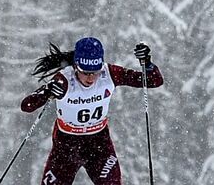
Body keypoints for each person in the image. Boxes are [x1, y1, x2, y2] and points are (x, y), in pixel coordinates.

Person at [21, 36, 164, 185]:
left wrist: (146, 63)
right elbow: (27, 106)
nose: (91, 78)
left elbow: (154, 81)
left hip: (99, 146)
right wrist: (46, 92)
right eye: (85, 72)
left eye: (95, 72)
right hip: (66, 147)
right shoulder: (64, 80)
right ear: (76, 66)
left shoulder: (109, 73)